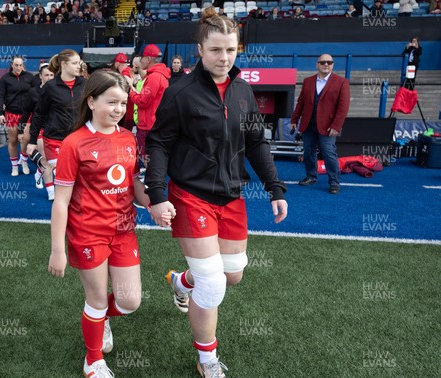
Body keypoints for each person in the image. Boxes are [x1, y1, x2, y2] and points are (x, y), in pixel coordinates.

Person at [144, 7, 288, 377]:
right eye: (216, 51)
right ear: (200, 50)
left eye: (230, 50)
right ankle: (207, 359)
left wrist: (275, 187)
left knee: (233, 274)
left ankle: (181, 281)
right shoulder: (181, 92)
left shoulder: (243, 91)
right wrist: (157, 193)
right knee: (212, 284)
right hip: (191, 195)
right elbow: (158, 143)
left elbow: (256, 143)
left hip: (231, 195)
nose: (223, 58)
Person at [48, 70, 155, 378]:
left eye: (123, 103)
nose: (119, 110)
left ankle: (99, 318)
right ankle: (93, 360)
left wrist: (150, 201)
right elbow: (61, 201)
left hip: (123, 231)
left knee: (130, 300)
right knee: (95, 300)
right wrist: (58, 250)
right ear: (92, 101)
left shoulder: (128, 138)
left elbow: (132, 181)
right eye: (112, 102)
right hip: (87, 234)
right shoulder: (74, 143)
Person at [29, 49, 86, 201]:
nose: (78, 66)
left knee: (80, 179)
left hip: (79, 139)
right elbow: (39, 113)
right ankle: (58, 205)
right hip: (55, 139)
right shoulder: (51, 87)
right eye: (74, 63)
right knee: (62, 175)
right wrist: (32, 141)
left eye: (79, 63)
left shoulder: (85, 84)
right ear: (64, 64)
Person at [291, 54, 350, 195]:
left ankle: (334, 182)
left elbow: (343, 107)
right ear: (317, 64)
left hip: (328, 126)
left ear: (333, 65)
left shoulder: (342, 82)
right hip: (308, 124)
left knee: (329, 153)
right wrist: (294, 120)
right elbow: (301, 103)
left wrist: (336, 126)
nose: (326, 64)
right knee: (309, 152)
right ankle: (311, 176)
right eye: (323, 62)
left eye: (329, 62)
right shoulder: (308, 81)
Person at [127, 44, 170, 167]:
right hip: (153, 124)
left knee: (147, 159)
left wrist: (131, 90)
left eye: (142, 58)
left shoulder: (154, 77)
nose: (140, 62)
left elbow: (143, 101)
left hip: (148, 126)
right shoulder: (158, 76)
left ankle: (151, 183)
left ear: (148, 59)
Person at [0, 56, 34, 177]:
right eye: (16, 65)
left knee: (25, 139)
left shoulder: (29, 77)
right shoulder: (5, 79)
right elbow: (0, 96)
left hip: (27, 114)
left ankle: (23, 162)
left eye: (21, 65)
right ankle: (14, 166)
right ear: (12, 65)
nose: (19, 67)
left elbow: (36, 92)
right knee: (13, 141)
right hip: (12, 114)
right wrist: (0, 113)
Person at [21, 61, 55, 191]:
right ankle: (51, 191)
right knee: (45, 158)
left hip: (54, 128)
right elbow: (26, 111)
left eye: (52, 75)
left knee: (52, 160)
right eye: (46, 75)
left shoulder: (57, 90)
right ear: (40, 76)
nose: (49, 78)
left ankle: (38, 173)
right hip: (39, 126)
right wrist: (21, 129)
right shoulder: (33, 92)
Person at [113, 53, 135, 131]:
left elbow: (128, 81)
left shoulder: (124, 72)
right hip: (131, 111)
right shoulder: (130, 70)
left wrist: (131, 87)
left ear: (118, 63)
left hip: (126, 112)